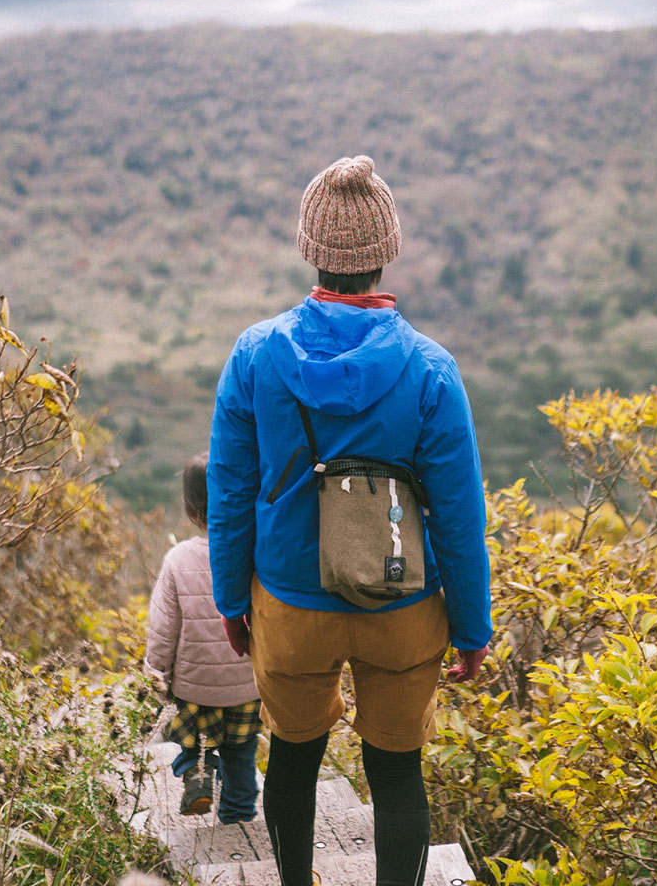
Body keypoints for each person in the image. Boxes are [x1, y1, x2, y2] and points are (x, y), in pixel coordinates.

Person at [207, 154, 493, 886]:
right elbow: (459, 513)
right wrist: (472, 628)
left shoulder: (256, 355)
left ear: (312, 249)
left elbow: (231, 495)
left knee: (293, 762)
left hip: (293, 600)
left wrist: (232, 602)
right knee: (397, 773)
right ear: (384, 252)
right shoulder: (431, 369)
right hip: (403, 600)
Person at [145, 451, 261, 822]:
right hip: (248, 685)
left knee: (192, 743)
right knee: (241, 753)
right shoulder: (258, 552)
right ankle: (239, 813)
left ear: (193, 509)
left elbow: (163, 629)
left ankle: (197, 772)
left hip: (196, 686)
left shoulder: (178, 559)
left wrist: (155, 673)